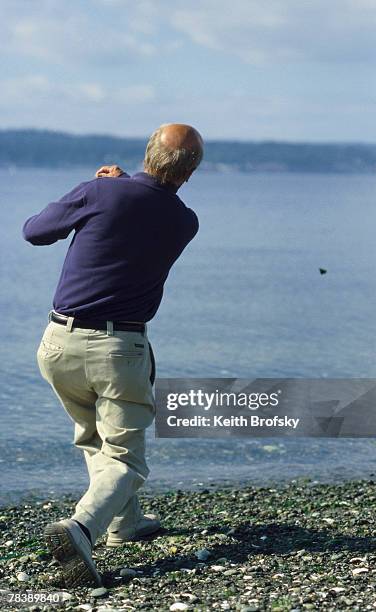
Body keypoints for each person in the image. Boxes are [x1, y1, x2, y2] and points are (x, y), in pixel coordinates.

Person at [22, 123, 203, 587]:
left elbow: (35, 231)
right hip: (119, 349)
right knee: (126, 458)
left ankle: (125, 523)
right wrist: (118, 188)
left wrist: (99, 188)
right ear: (191, 172)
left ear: (148, 154)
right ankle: (82, 527)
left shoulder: (102, 192)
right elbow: (145, 210)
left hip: (57, 342)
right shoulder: (185, 222)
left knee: (95, 439)